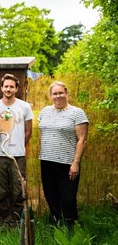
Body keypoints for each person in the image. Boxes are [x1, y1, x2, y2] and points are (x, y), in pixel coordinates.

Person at [38, 81, 88, 227]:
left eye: (61, 93)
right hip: (46, 161)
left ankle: (71, 228)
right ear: (50, 95)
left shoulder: (77, 113)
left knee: (68, 198)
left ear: (66, 93)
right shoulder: (45, 111)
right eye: (55, 93)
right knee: (51, 196)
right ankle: (55, 225)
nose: (58, 96)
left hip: (67, 163)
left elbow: (82, 140)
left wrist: (76, 163)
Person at [0, 74, 33, 228]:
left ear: (16, 88)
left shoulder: (25, 107)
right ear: (1, 88)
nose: (8, 89)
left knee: (18, 189)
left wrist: (19, 145)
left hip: (18, 156)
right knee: (1, 189)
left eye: (11, 86)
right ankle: (3, 220)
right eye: (6, 86)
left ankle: (15, 221)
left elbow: (28, 131)